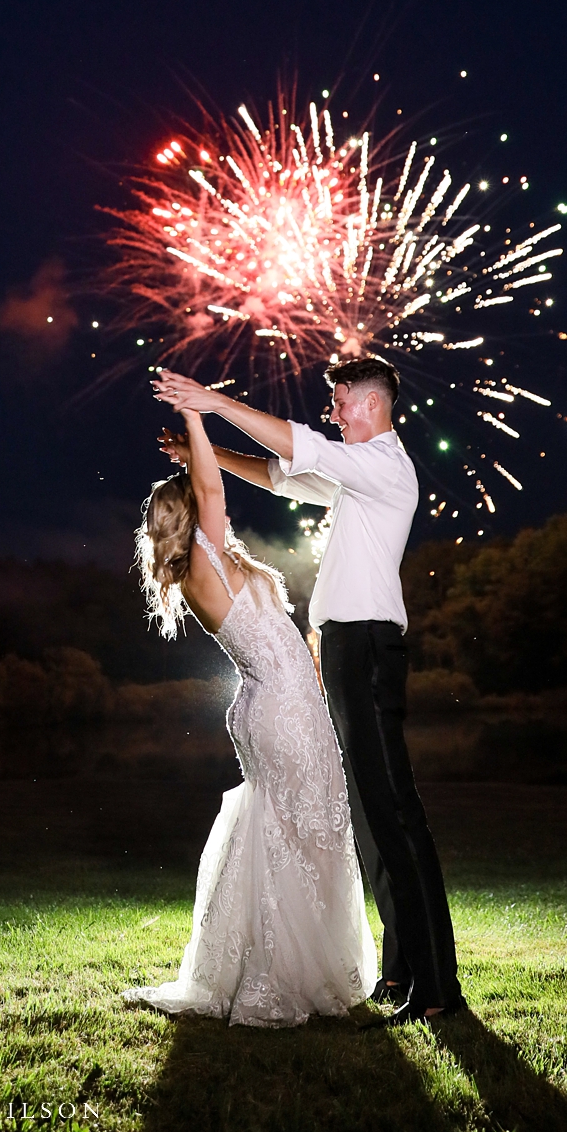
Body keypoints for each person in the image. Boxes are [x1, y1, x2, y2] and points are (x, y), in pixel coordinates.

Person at [152, 357, 463, 1025]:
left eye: (341, 401)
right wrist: (198, 447)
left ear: (373, 404)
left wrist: (209, 403)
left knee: (396, 815)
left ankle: (438, 990)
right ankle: (401, 973)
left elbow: (298, 445)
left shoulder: (382, 465)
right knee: (372, 821)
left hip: (371, 646)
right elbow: (275, 472)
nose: (334, 412)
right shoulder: (354, 480)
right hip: (346, 649)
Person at [121, 404, 376, 1027]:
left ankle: (290, 966)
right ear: (195, 516)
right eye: (209, 504)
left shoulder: (211, 567)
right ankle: (280, 979)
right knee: (299, 832)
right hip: (282, 711)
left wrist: (192, 450)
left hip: (283, 705)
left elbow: (211, 485)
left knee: (298, 830)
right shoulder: (206, 564)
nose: (221, 506)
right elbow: (213, 484)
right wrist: (197, 416)